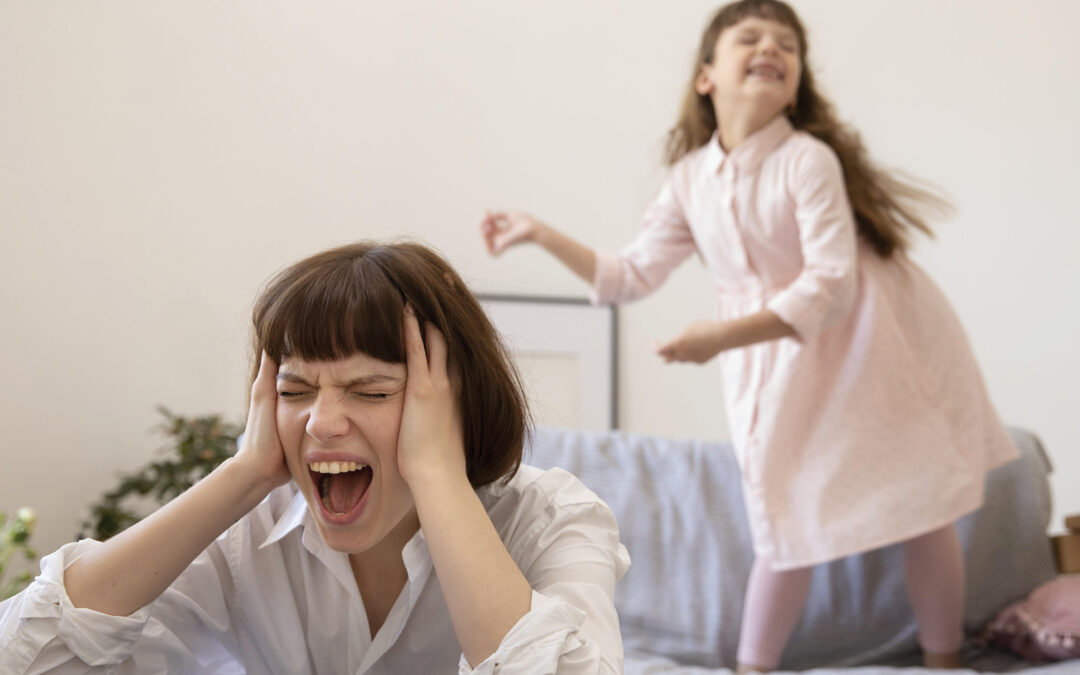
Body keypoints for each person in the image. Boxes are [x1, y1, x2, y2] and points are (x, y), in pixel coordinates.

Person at [480, 1, 1017, 672]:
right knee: (782, 511)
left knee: (920, 499)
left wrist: (721, 336)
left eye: (787, 45)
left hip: (875, 345)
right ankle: (752, 666)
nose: (771, 48)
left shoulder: (806, 160)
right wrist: (539, 233)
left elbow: (832, 287)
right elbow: (626, 275)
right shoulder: (690, 180)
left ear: (794, 89)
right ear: (706, 76)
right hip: (778, 357)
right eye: (751, 37)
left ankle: (944, 660)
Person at [0, 241, 630, 674]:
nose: (321, 423)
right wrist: (244, 473)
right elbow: (25, 658)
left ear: (452, 404)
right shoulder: (248, 533)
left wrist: (436, 471)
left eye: (372, 391)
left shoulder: (551, 519)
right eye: (294, 391)